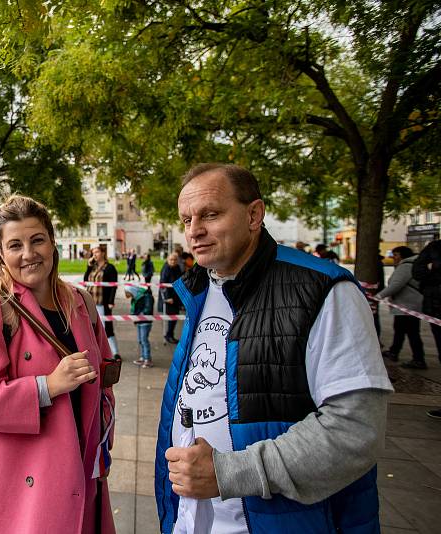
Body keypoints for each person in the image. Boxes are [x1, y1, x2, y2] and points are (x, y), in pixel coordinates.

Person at [155, 163, 392, 534]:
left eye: (210, 214)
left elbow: (356, 428)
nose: (194, 231)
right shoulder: (201, 289)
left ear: (254, 214)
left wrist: (230, 473)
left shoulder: (322, 289)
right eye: (186, 220)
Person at [0, 195, 116, 534]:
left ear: (52, 242)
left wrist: (103, 434)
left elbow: (104, 372)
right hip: (13, 484)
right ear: (2, 254)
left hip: (79, 466)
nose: (28, 254)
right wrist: (48, 385)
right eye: (15, 245)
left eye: (37, 240)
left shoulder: (81, 303)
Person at [377, 246, 425, 369]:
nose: (394, 257)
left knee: (411, 332)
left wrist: (379, 296)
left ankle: (418, 359)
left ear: (403, 255)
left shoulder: (405, 266)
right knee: (400, 330)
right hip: (407, 305)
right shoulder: (412, 265)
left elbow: (396, 285)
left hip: (407, 306)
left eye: (396, 254)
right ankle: (394, 351)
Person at [412, 240, 441, 419]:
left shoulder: (435, 248)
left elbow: (419, 272)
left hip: (436, 306)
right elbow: (418, 272)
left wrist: (434, 273)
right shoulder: (435, 248)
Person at [85, 244, 122, 359]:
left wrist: (111, 301)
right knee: (92, 327)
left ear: (103, 253)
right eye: (93, 253)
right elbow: (86, 280)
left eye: (96, 252)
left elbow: (113, 286)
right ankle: (98, 351)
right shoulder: (93, 267)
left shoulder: (110, 268)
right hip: (91, 302)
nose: (94, 255)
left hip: (103, 303)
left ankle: (115, 352)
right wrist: (88, 266)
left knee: (106, 328)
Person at [126, 284, 155, 367]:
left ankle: (147, 359)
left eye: (129, 294)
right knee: (140, 340)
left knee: (144, 340)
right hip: (139, 321)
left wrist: (138, 315)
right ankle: (143, 357)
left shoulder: (147, 296)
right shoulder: (135, 298)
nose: (129, 296)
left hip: (145, 322)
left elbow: (148, 309)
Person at [159, 253, 182, 344]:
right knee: (171, 317)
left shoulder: (177, 268)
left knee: (175, 317)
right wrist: (167, 298)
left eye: (175, 260)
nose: (173, 261)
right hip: (169, 298)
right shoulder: (166, 269)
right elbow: (163, 284)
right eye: (171, 260)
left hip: (176, 297)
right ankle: (169, 335)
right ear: (168, 260)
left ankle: (170, 335)